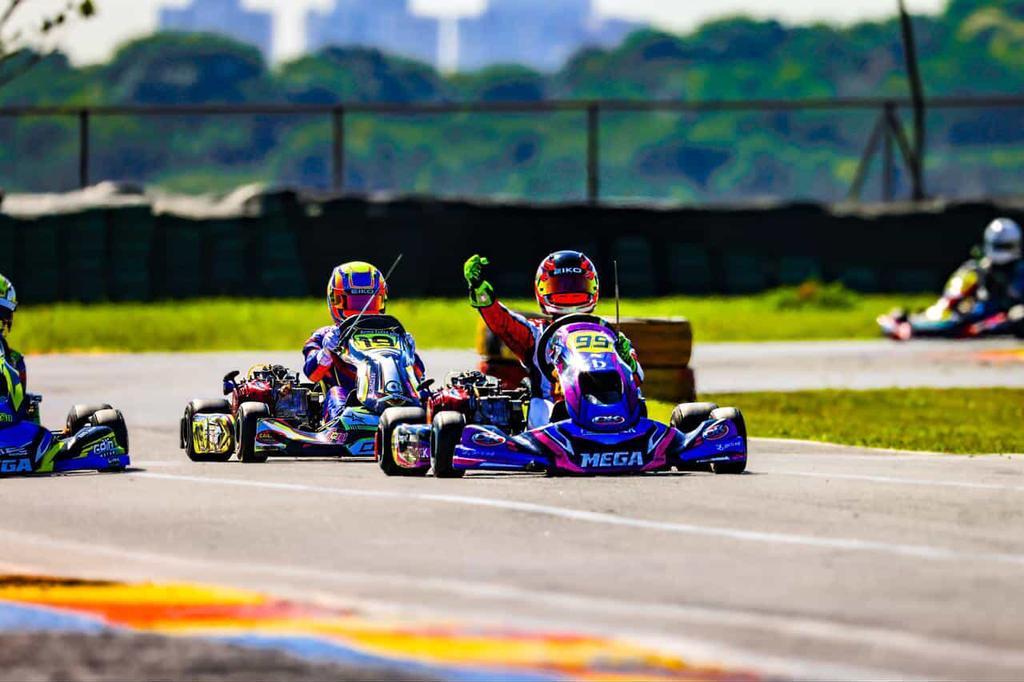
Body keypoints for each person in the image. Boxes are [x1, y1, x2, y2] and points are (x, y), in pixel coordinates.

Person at [464, 250, 643, 427]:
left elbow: (637, 378)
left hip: (614, 414)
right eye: (560, 287)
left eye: (577, 286)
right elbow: (503, 324)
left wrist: (629, 362)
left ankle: (622, 427)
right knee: (558, 409)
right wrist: (482, 293)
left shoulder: (610, 336)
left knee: (637, 399)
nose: (569, 293)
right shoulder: (537, 332)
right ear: (541, 290)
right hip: (552, 417)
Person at [302, 262, 425, 425]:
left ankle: (427, 417)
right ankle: (343, 425)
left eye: (369, 302)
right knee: (335, 392)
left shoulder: (394, 333)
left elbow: (419, 375)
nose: (362, 311)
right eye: (354, 303)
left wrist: (409, 354)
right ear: (335, 301)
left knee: (425, 394)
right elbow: (312, 374)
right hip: (350, 402)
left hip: (391, 396)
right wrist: (326, 352)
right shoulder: (324, 336)